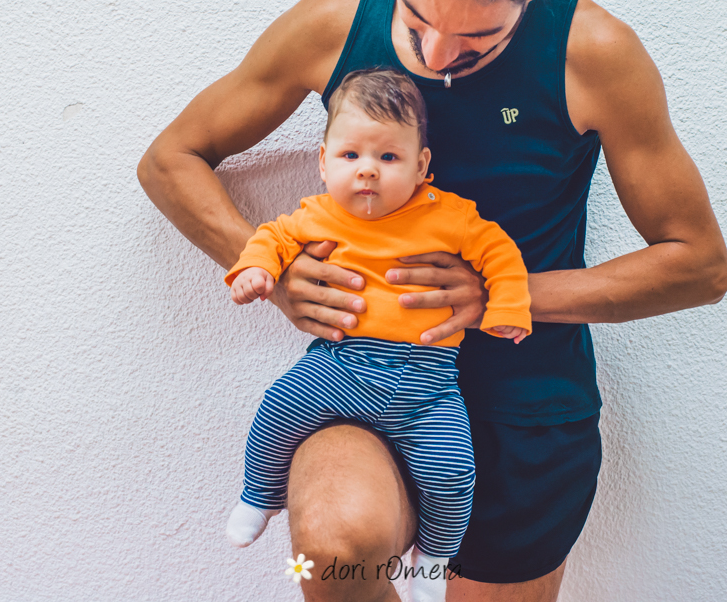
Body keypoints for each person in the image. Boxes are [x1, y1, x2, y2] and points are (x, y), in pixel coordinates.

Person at [138, 0, 727, 602]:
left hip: (525, 402)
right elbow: (170, 159)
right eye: (417, 22)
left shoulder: (597, 52)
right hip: (363, 377)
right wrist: (272, 267)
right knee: (335, 553)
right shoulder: (332, 22)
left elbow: (698, 262)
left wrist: (500, 297)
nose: (439, 55)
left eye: (478, 39)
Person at [226, 68, 530, 602]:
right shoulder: (316, 214)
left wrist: (507, 306)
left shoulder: (450, 216)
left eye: (388, 158)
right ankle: (259, 496)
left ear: (421, 166)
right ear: (323, 163)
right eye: (350, 157)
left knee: (454, 474)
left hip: (428, 383)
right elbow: (269, 238)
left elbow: (500, 254)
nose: (367, 171)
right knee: (277, 409)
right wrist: (257, 272)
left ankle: (432, 561)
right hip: (340, 366)